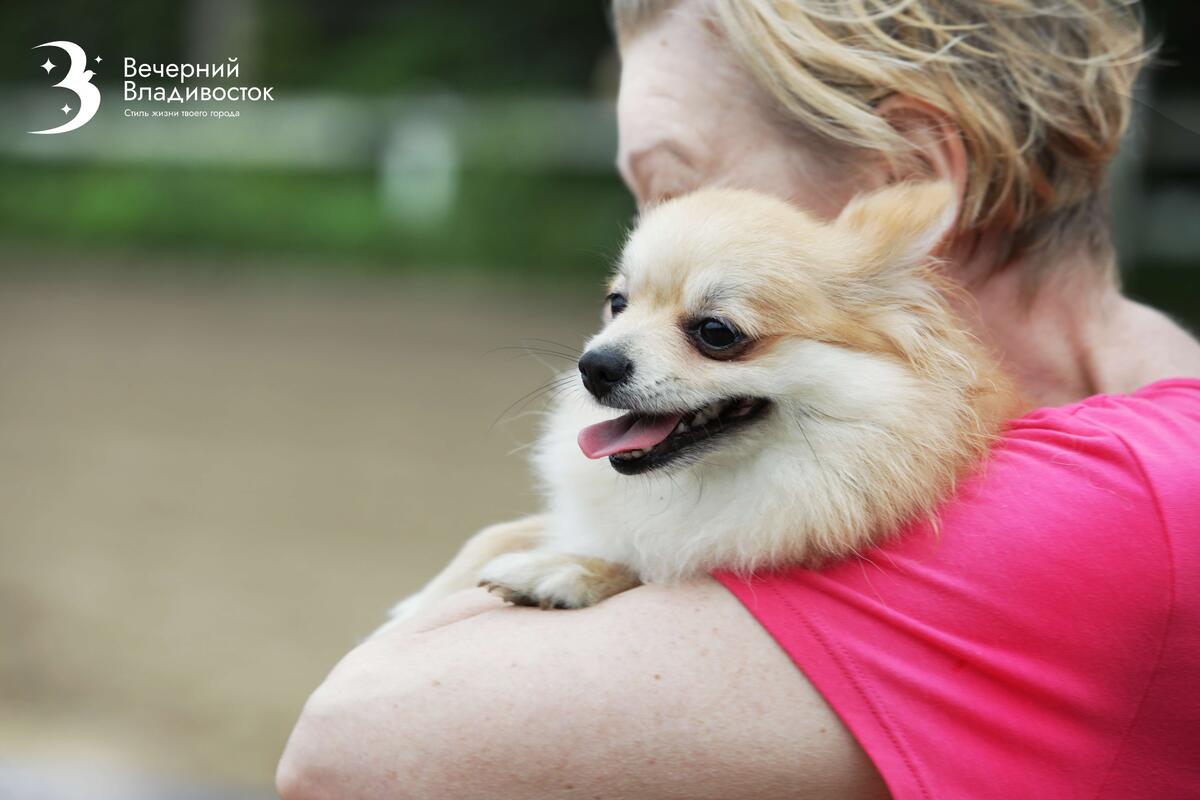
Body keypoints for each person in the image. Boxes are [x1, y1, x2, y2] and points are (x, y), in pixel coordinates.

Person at [276, 1, 1200, 797]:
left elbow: (355, 751)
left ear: (905, 174)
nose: (664, 224)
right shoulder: (1154, 427)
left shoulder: (1100, 508)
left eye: (681, 185)